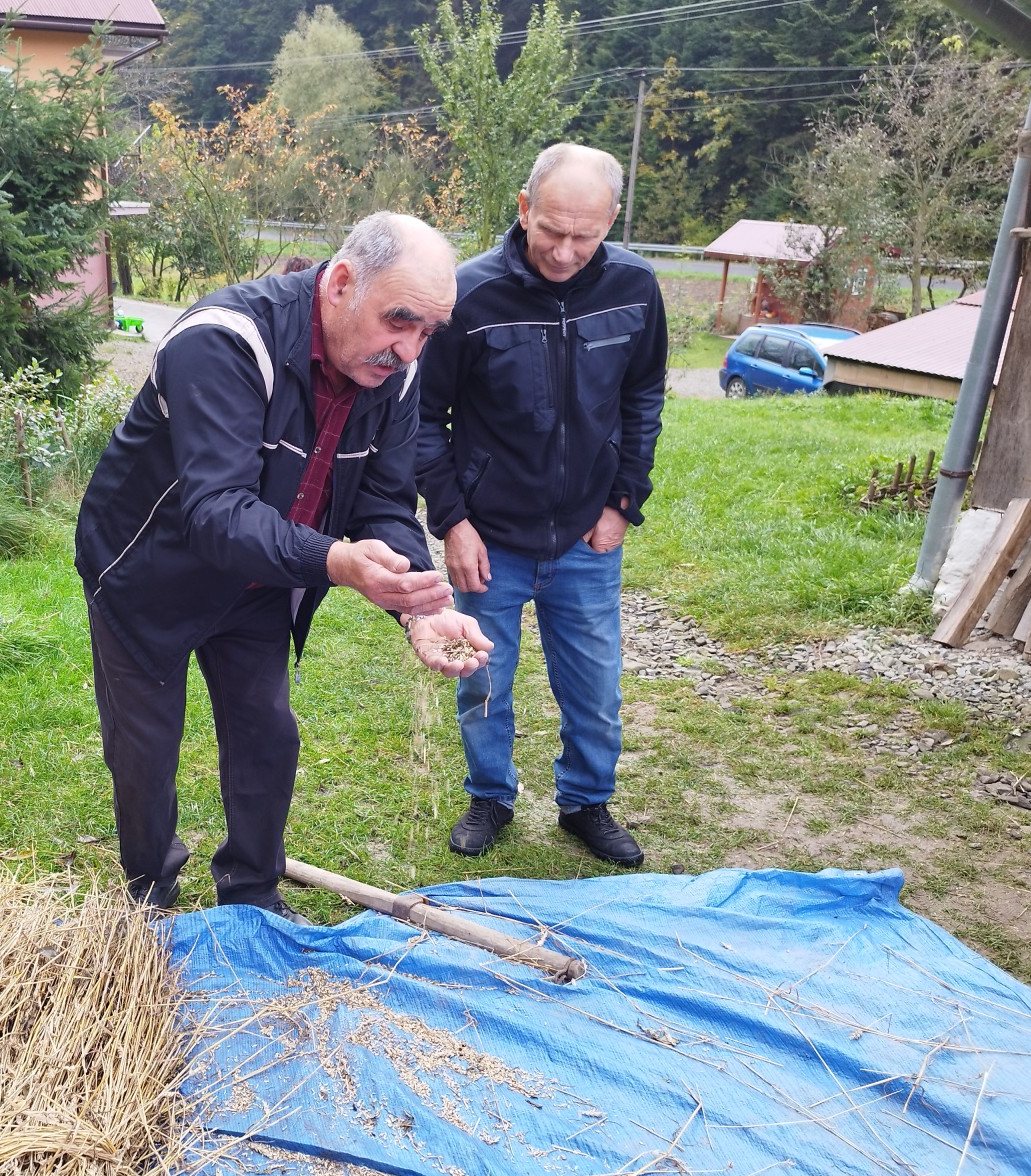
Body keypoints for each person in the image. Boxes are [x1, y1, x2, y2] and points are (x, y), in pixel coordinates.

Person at [76, 212, 492, 923]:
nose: (410, 348)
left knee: (266, 732)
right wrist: (334, 560)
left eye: (429, 331)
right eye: (399, 320)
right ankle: (150, 888)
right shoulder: (223, 340)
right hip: (148, 571)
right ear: (341, 283)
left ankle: (251, 892)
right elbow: (215, 512)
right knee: (146, 746)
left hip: (263, 575)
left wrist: (417, 602)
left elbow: (386, 501)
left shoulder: (394, 372)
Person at [416, 144, 668, 867]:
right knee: (481, 679)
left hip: (586, 535)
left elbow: (643, 397)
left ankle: (586, 802)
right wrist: (453, 521)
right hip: (487, 537)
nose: (564, 251)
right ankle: (490, 795)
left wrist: (624, 501)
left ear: (611, 221)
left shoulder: (635, 287)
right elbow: (423, 417)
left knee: (594, 687)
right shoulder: (470, 295)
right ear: (525, 208)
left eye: (584, 236)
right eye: (552, 229)